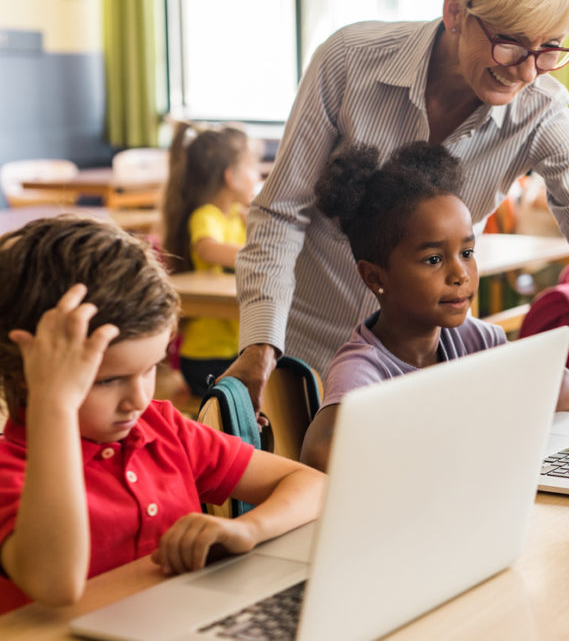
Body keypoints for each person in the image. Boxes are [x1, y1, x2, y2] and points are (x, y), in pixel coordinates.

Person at [227, 0, 569, 413]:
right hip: (306, 355)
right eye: (511, 42)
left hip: (425, 368)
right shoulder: (348, 61)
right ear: (455, 10)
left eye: (550, 48)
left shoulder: (541, 110)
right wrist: (261, 344)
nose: (528, 72)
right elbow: (281, 212)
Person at [0, 217, 325, 614]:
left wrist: (247, 529)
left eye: (152, 367)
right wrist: (56, 406)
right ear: (26, 373)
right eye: (107, 381)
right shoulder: (11, 471)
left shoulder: (160, 428)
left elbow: (313, 485)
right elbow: (56, 584)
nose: (137, 399)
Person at [299, 142, 569, 471]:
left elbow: (568, 387)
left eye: (467, 253)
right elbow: (321, 450)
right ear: (375, 276)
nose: (460, 274)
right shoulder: (363, 368)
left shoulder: (475, 338)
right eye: (433, 259)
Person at [162, 122, 260, 395]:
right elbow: (207, 248)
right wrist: (258, 256)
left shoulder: (236, 216)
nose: (257, 174)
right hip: (206, 358)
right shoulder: (207, 215)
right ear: (232, 177)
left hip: (233, 350)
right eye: (251, 167)